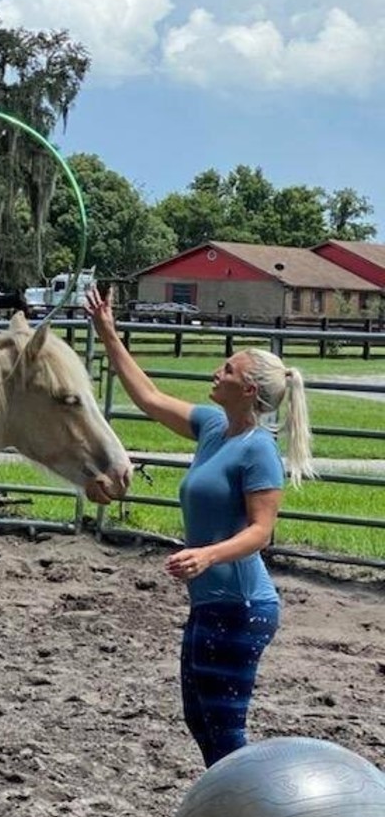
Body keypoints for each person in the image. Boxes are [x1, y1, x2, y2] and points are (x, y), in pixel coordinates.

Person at [84, 285, 315, 767]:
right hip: (210, 603)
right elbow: (149, 398)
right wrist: (109, 334)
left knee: (224, 729)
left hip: (241, 606)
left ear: (248, 390)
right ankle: (231, 806)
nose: (217, 372)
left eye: (228, 369)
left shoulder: (258, 450)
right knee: (201, 720)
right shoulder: (213, 426)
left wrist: (207, 554)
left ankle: (246, 808)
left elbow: (261, 532)